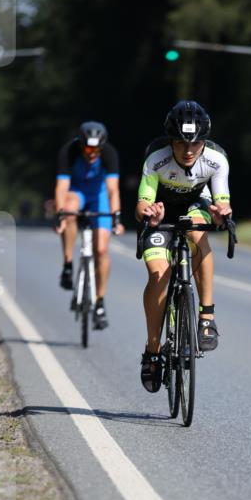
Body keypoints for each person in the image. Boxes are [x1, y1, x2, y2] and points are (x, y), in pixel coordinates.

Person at [135, 100, 232, 392]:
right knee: (157, 274)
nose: (188, 151)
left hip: (195, 206)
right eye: (180, 143)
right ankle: (153, 350)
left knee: (197, 233)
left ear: (204, 142)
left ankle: (206, 316)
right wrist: (150, 213)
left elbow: (222, 201)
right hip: (160, 215)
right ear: (170, 140)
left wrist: (221, 213)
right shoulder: (156, 159)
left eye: (195, 144)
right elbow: (142, 204)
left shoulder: (216, 160)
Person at [55, 121, 124, 329]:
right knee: (68, 210)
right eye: (88, 148)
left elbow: (113, 190)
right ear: (81, 144)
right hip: (77, 192)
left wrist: (116, 218)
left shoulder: (110, 154)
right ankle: (67, 264)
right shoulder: (69, 151)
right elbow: (61, 187)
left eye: (96, 150)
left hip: (99, 196)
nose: (92, 153)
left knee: (101, 250)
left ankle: (100, 301)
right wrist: (60, 215)